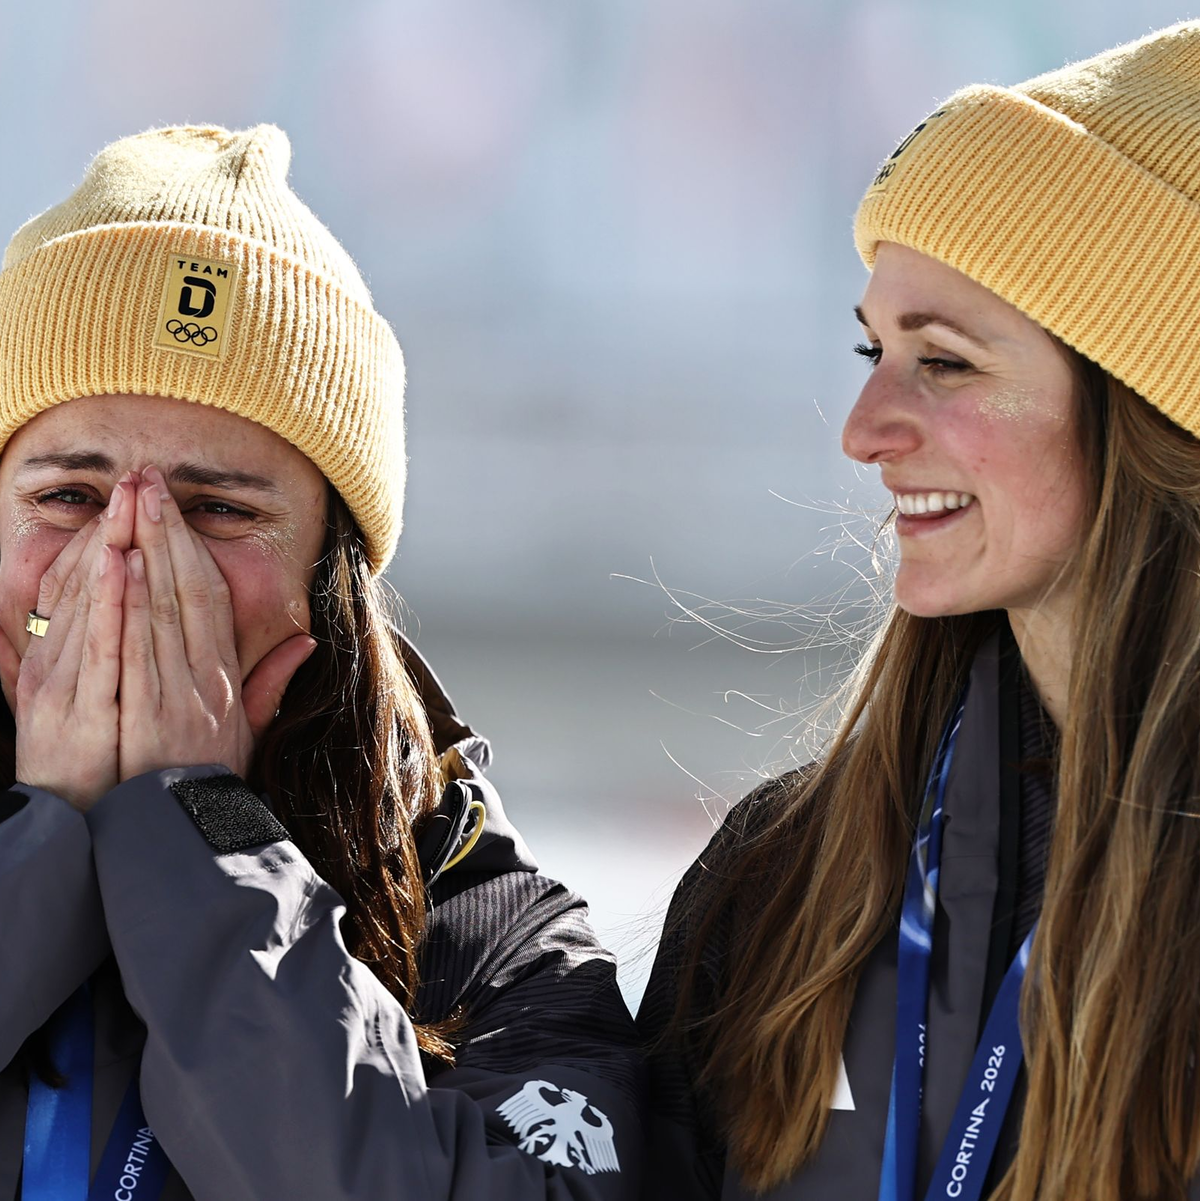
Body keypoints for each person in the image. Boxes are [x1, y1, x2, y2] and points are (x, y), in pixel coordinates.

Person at [0, 124, 642, 1199]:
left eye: (214, 511)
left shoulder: (490, 929)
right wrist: (46, 834)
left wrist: (200, 840)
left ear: (333, 578)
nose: (128, 561)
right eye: (68, 495)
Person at [638, 20, 1200, 1201]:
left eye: (943, 363)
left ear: (1145, 409)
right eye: (872, 349)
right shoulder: (786, 879)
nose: (864, 429)